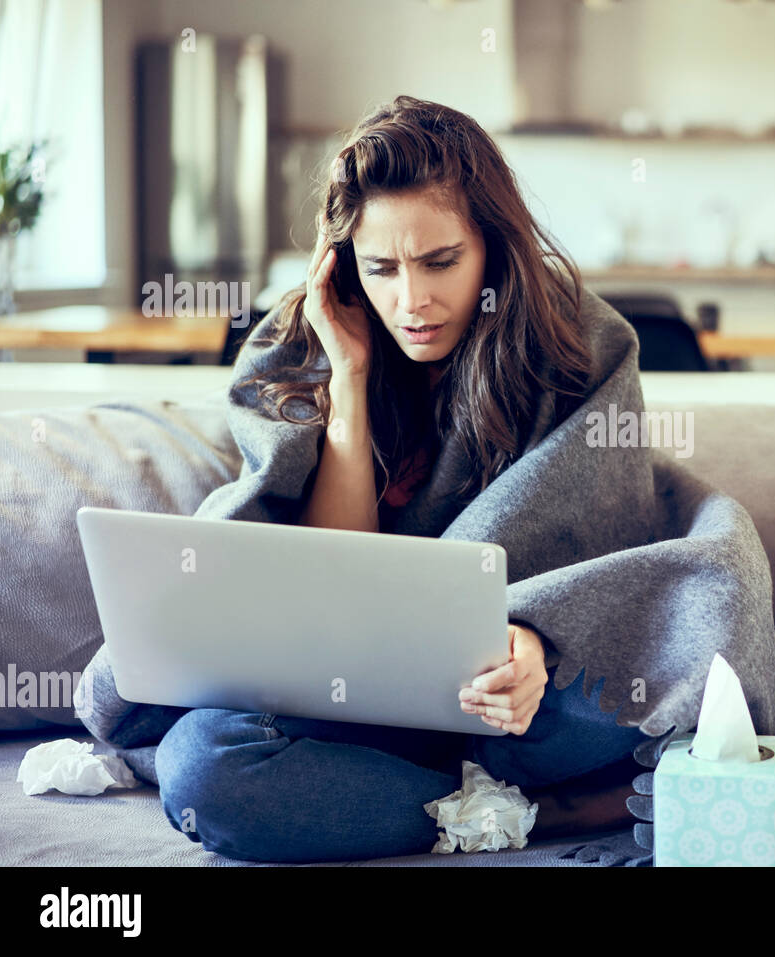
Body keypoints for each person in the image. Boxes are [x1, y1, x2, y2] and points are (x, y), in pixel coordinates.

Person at [151, 96, 652, 862]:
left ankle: (406, 791)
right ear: (343, 260)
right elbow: (332, 580)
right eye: (380, 266)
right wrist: (348, 379)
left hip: (516, 704)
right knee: (202, 767)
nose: (411, 301)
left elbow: (600, 574)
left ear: (495, 244)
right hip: (350, 700)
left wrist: (530, 633)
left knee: (625, 699)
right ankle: (530, 816)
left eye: (441, 261)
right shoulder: (302, 347)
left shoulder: (582, 344)